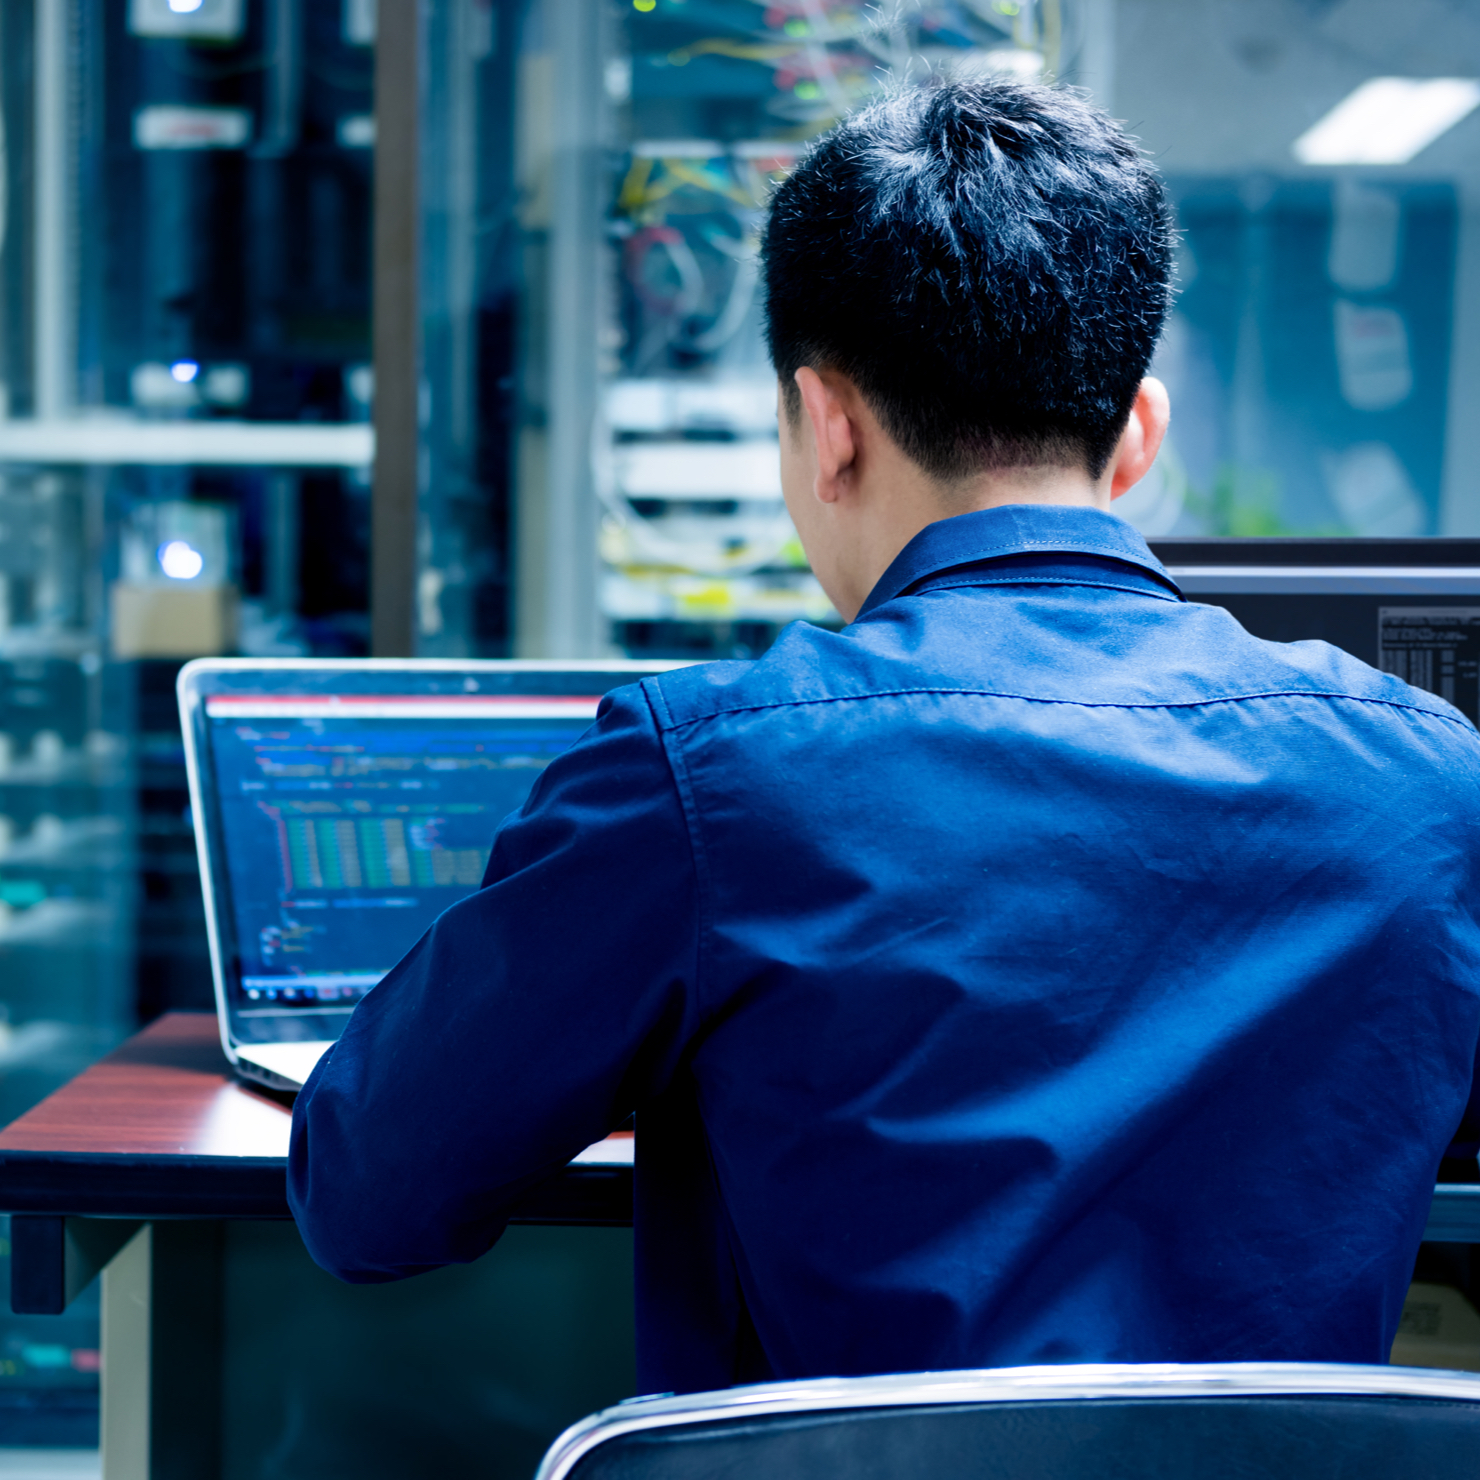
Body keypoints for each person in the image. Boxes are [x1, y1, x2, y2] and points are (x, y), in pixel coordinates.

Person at [288, 79, 1480, 1393]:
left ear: (829, 429)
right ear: (1137, 436)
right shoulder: (1429, 782)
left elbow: (370, 1193)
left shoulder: (710, 777)